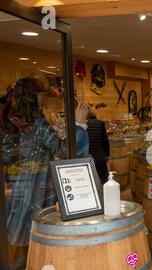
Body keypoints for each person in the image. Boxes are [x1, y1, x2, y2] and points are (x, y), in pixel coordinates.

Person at [0, 77, 89, 247]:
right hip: (38, 190)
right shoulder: (39, 125)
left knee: (19, 237)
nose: (44, 99)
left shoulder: (8, 124)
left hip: (16, 190)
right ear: (32, 97)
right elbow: (66, 153)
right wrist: (79, 126)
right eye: (41, 95)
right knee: (41, 236)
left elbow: (8, 156)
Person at [86, 111, 110, 184]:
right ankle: (108, 192)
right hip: (100, 156)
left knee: (90, 179)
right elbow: (105, 140)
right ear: (95, 115)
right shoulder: (100, 123)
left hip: (88, 156)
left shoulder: (85, 124)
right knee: (104, 177)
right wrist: (107, 154)